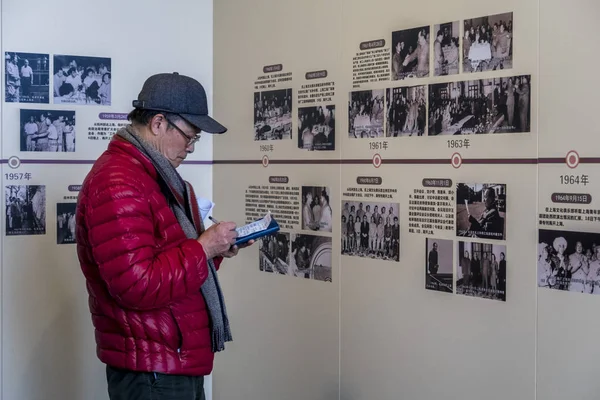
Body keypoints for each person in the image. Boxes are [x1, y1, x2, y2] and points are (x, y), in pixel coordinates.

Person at [76, 72, 253, 400]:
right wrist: (203, 247)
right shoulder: (119, 182)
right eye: (189, 135)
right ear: (158, 123)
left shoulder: (156, 177)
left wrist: (213, 251)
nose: (190, 148)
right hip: (152, 371)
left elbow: (171, 265)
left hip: (169, 361)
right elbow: (136, 285)